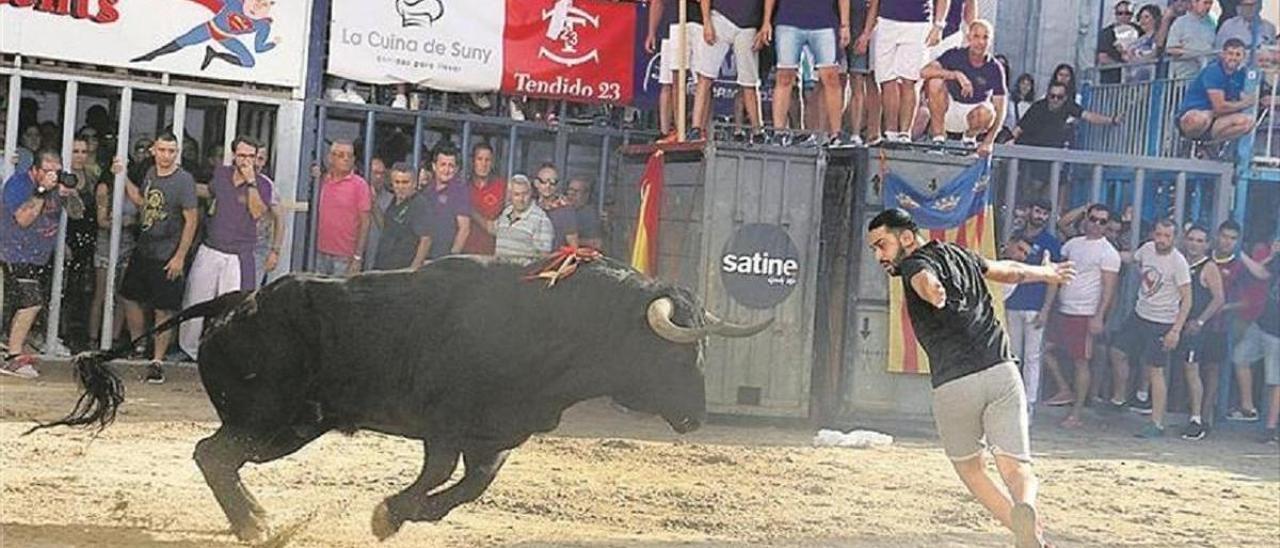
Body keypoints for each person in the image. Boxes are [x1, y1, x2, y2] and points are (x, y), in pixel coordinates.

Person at [866, 208, 1072, 548]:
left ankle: (1026, 534)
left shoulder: (915, 265)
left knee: (972, 472)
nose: (878, 255)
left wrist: (933, 291)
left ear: (906, 238)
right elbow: (1010, 271)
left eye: (882, 245)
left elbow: (924, 279)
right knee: (1016, 465)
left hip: (956, 384)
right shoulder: (960, 254)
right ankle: (1026, 508)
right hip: (1001, 370)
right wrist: (1046, 273)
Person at [178, 136, 271, 361]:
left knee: (232, 308)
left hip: (238, 255)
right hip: (211, 248)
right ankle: (188, 351)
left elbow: (258, 213)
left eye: (251, 156)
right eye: (242, 155)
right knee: (196, 300)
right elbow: (209, 192)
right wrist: (178, 183)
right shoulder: (221, 174)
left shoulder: (264, 184)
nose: (246, 160)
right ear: (234, 156)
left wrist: (251, 182)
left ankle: (224, 355)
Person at [118, 133, 199, 384]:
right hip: (145, 249)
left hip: (167, 253)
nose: (166, 155)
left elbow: (192, 220)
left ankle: (157, 361)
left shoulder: (184, 180)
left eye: (171, 151)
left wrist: (179, 257)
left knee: (164, 309)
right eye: (162, 150)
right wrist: (122, 177)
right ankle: (140, 346)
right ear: (154, 150)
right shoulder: (150, 173)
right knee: (129, 296)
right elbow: (144, 203)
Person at [0, 150, 86, 378]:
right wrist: (41, 190)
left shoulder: (58, 185)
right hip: (12, 252)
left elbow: (78, 214)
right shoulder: (18, 184)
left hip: (37, 255)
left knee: (23, 305)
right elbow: (23, 219)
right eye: (47, 172)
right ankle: (13, 357)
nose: (52, 176)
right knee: (31, 303)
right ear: (35, 170)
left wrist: (69, 194)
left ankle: (11, 348)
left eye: (56, 172)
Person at [1043, 204, 1120, 428]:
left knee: (1081, 362)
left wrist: (1099, 317)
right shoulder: (1073, 244)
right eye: (1093, 219)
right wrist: (1084, 208)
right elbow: (1062, 224)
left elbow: (1109, 289)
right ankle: (1065, 390)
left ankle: (1077, 412)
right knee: (1046, 350)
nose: (1096, 224)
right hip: (1064, 308)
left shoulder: (1108, 253)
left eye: (1102, 221)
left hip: (1085, 313)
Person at [1120, 219, 1193, 439]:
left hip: (1162, 321)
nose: (1161, 240)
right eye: (1158, 234)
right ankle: (1119, 399)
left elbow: (1187, 299)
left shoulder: (1178, 262)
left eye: (1166, 236)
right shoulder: (1147, 249)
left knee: (1155, 370)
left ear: (1175, 238)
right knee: (1116, 350)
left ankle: (1157, 422)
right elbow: (1131, 257)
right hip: (1140, 314)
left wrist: (1175, 330)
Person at [759, 0, 850, 144]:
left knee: (831, 77)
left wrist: (845, 24)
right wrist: (766, 21)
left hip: (824, 21)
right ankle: (778, 132)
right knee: (784, 77)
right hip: (788, 20)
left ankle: (836, 134)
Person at [1002, 201, 1062, 414]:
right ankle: (1012, 398)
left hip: (1035, 306)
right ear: (1029, 211)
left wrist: (1046, 309)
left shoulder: (1051, 243)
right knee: (1012, 354)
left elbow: (1053, 278)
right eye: (1037, 210)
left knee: (1032, 357)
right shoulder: (1015, 236)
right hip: (1011, 302)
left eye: (1045, 213)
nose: (1040, 216)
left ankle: (1029, 404)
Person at [861, 0, 944, 144]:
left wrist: (939, 25)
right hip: (886, 21)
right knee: (886, 79)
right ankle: (890, 133)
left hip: (918, 23)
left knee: (910, 80)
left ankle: (905, 134)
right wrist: (867, 32)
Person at [920, 20, 1006, 155]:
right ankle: (938, 139)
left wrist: (989, 142)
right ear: (968, 38)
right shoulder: (954, 54)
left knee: (988, 112)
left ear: (990, 41)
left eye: (985, 37)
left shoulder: (995, 67)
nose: (980, 42)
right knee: (935, 82)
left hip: (974, 115)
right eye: (976, 36)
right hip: (948, 109)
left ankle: (970, 139)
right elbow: (924, 72)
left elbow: (1000, 108)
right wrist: (955, 74)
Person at [1175, 225, 1226, 440]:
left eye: (1200, 240)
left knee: (1191, 370)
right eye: (1192, 239)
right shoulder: (1179, 262)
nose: (1195, 244)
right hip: (1174, 322)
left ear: (1207, 244)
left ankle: (1196, 419)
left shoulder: (1208, 267)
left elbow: (1219, 298)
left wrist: (1201, 321)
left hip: (1194, 328)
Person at [89, 156, 143, 350]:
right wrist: (120, 222)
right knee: (102, 293)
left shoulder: (133, 187)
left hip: (127, 243)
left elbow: (142, 207)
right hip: (107, 243)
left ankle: (114, 337)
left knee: (123, 294)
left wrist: (133, 222)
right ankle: (94, 337)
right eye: (115, 163)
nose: (119, 167)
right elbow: (101, 221)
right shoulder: (105, 188)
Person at [692, 0, 765, 141]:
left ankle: (758, 131)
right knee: (705, 76)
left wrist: (764, 25)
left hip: (748, 24)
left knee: (749, 82)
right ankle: (696, 128)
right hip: (720, 17)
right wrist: (706, 22)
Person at [1230, 240, 1279, 443]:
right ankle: (1248, 407)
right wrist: (1272, 255)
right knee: (1239, 358)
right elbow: (1261, 272)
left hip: (1277, 333)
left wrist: (1240, 254)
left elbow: (1260, 272)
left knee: (1275, 381)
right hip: (1262, 324)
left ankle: (1270, 427)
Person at [1177, 39, 1256, 143]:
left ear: (1243, 57)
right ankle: (1191, 142)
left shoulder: (1240, 75)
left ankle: (1209, 144)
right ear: (1223, 54)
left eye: (1238, 55)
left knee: (1247, 122)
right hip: (1195, 114)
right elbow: (1220, 107)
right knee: (1198, 119)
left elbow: (1244, 96)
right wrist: (1245, 103)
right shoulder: (1214, 71)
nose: (1233, 58)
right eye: (1230, 53)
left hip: (1217, 119)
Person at [646, 0, 705, 142]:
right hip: (673, 26)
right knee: (672, 81)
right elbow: (657, 2)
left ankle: (700, 129)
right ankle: (674, 131)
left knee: (703, 80)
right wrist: (651, 32)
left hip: (700, 24)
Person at [315, 140, 372, 276]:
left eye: (350, 155)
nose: (346, 159)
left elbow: (365, 222)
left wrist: (358, 257)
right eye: (341, 155)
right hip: (318, 252)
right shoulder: (322, 181)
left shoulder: (360, 185)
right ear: (330, 158)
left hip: (345, 257)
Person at [1012, 81, 1120, 149]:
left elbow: (1089, 116)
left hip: (1052, 149)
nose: (1055, 100)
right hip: (1032, 147)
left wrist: (1112, 120)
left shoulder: (1068, 106)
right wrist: (1010, 143)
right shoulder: (1038, 107)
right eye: (1052, 96)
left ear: (1065, 98)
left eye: (1059, 97)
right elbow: (1020, 128)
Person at [372, 163, 432, 270]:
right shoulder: (394, 202)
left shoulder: (419, 204)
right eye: (397, 182)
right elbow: (386, 227)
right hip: (385, 266)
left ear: (414, 183)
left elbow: (426, 239)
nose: (400, 187)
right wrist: (374, 206)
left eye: (405, 182)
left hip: (402, 271)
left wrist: (414, 270)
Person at [420, 145, 472, 259]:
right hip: (423, 257)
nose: (447, 170)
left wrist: (451, 259)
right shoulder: (426, 191)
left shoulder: (460, 191)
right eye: (443, 164)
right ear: (434, 166)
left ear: (457, 169)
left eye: (451, 166)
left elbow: (464, 229)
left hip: (443, 260)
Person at [488, 175, 554, 258]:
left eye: (525, 194)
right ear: (510, 195)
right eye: (517, 194)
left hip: (524, 270)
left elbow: (544, 257)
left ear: (530, 193)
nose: (521, 199)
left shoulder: (542, 220)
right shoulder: (506, 212)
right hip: (499, 269)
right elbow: (491, 229)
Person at [462, 142, 507, 255]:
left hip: (491, 255)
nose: (484, 164)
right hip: (464, 253)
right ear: (473, 161)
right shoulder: (462, 188)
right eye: (480, 159)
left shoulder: (502, 187)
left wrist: (471, 211)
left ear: (492, 163)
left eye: (488, 160)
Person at [251, 144, 284, 287]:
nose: (256, 163)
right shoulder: (231, 179)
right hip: (231, 247)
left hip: (257, 248)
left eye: (260, 159)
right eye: (253, 157)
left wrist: (275, 252)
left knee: (248, 292)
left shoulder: (268, 186)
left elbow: (280, 220)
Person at [1167, 0, 1217, 79]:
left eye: (1210, 3)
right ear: (1194, 2)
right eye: (1205, 3)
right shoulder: (1180, 23)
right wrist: (1194, 54)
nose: (1208, 6)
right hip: (1185, 77)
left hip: (1206, 76)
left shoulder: (1211, 24)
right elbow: (1171, 49)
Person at [532, 163, 579, 248]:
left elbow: (573, 246)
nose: (548, 186)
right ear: (536, 183)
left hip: (555, 260)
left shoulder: (566, 210)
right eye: (543, 182)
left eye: (553, 182)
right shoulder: (530, 206)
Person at [1098, 1, 1143, 83]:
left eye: (1127, 13)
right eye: (1120, 13)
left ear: (1131, 15)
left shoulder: (1139, 31)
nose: (1123, 16)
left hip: (1135, 79)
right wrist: (1122, 67)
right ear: (1115, 15)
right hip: (1111, 80)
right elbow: (1103, 58)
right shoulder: (1107, 33)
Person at [566, 176, 605, 250]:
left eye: (576, 191)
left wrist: (572, 240)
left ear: (586, 195)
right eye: (569, 190)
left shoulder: (589, 215)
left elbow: (597, 243)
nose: (571, 194)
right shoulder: (565, 210)